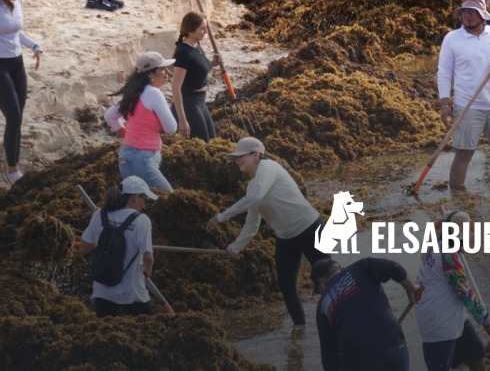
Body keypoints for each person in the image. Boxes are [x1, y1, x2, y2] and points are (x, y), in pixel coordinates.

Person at [207, 137, 328, 327]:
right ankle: (299, 328)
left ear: (256, 154)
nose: (237, 160)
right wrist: (236, 247)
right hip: (285, 238)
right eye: (235, 157)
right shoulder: (252, 185)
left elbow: (255, 198)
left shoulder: (269, 167)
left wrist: (221, 217)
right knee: (287, 287)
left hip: (310, 228)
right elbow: (252, 224)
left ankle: (340, 320)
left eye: (241, 156)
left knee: (327, 279)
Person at [437, 0, 490, 189]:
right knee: (463, 154)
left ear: (483, 15)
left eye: (473, 12)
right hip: (467, 106)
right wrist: (444, 102)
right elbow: (444, 72)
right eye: (465, 12)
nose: (468, 16)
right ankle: (458, 198)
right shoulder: (452, 39)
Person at [416, 210, 490, 371]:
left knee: (475, 352)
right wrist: (486, 320)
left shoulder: (436, 246)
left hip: (452, 316)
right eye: (468, 232)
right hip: (440, 323)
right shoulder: (448, 254)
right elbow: (465, 294)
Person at [311, 257, 419, 371]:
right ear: (339, 267)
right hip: (393, 346)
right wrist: (410, 288)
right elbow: (393, 267)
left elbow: (329, 356)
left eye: (318, 290)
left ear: (321, 283)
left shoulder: (323, 305)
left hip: (360, 359)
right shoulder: (360, 267)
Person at [78, 176, 157, 318]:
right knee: (144, 327)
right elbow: (148, 258)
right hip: (132, 294)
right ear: (133, 198)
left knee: (105, 327)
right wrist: (147, 273)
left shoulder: (99, 214)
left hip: (102, 293)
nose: (144, 205)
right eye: (144, 198)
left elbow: (84, 247)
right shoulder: (142, 220)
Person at [105, 52, 178, 192]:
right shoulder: (154, 93)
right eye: (163, 69)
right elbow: (171, 128)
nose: (167, 73)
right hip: (144, 159)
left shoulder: (133, 92)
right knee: (168, 198)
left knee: (138, 200)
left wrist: (126, 134)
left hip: (125, 158)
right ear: (151, 74)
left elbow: (109, 116)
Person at [0, 0, 41, 184]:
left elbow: (16, 32)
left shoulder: (17, 3)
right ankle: (12, 169)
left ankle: (11, 158)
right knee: (13, 116)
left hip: (17, 63)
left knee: (18, 117)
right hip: (0, 66)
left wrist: (34, 45)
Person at [172, 12, 217, 141]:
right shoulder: (183, 52)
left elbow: (198, 70)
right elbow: (176, 87)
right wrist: (182, 120)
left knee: (212, 140)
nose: (205, 31)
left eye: (206, 28)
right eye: (202, 28)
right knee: (203, 142)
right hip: (189, 103)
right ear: (191, 30)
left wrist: (212, 63)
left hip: (201, 101)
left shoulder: (196, 46)